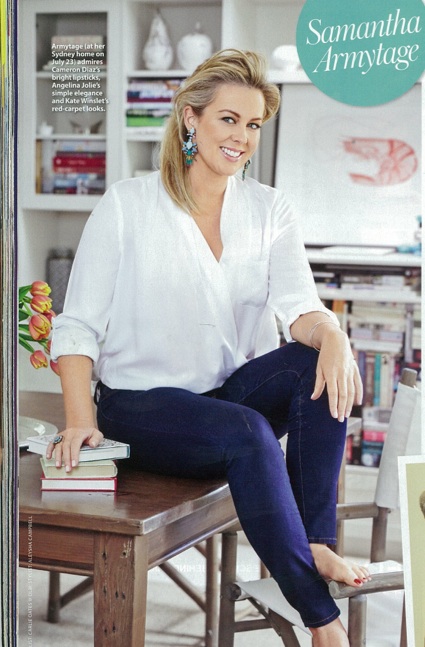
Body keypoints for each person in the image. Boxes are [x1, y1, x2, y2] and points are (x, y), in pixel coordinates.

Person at [49, 49, 369, 645]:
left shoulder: (269, 208)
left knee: (316, 361)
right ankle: (322, 621)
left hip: (222, 398)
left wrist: (332, 335)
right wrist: (79, 421)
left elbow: (299, 307)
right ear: (190, 118)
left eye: (253, 124)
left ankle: (315, 539)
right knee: (248, 432)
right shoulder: (128, 205)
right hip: (139, 406)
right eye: (228, 119)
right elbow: (77, 325)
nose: (241, 137)